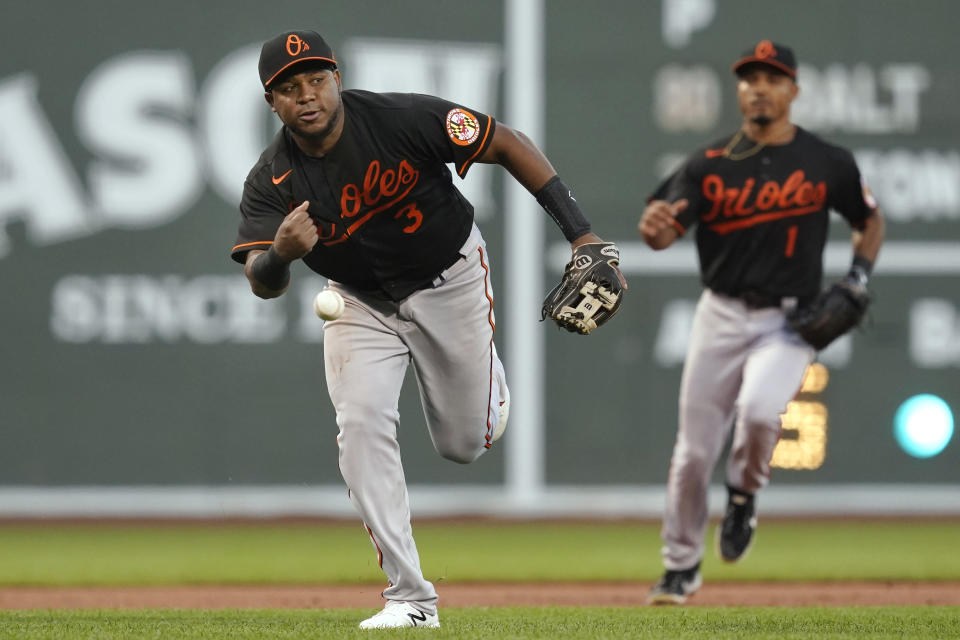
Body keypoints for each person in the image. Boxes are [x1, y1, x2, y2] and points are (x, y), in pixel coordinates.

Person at [231, 30, 626, 628]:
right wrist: (281, 255)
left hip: (450, 280)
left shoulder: (400, 118)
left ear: (336, 77)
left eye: (315, 79)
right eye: (289, 88)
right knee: (360, 424)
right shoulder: (271, 180)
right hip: (358, 302)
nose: (306, 95)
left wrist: (583, 235)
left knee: (464, 444)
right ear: (273, 103)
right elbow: (263, 281)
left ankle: (484, 387)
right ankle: (411, 597)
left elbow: (508, 144)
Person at [638, 40, 885, 605]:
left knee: (758, 411)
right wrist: (653, 230)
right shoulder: (708, 163)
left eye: (772, 78)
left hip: (790, 322)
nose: (759, 87)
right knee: (694, 452)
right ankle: (680, 567)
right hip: (720, 314)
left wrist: (858, 278)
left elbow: (869, 221)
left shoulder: (827, 161)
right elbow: (661, 232)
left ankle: (743, 496)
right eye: (749, 78)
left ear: (793, 90)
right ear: (739, 90)